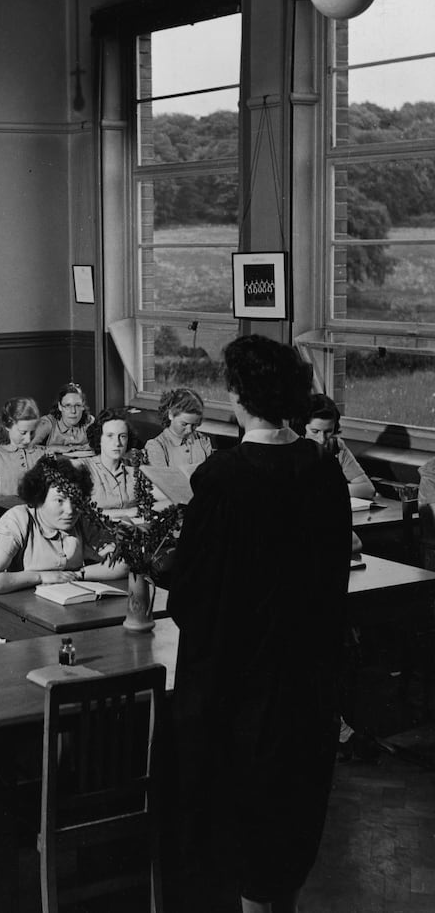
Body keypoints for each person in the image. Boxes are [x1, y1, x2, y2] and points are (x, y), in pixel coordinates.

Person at [166, 336, 352, 913]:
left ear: (238, 398)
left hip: (240, 691)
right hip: (310, 683)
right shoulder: (324, 475)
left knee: (240, 831)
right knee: (289, 828)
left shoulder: (226, 479)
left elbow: (193, 593)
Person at [0, 456, 127, 594]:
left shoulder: (82, 519)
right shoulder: (17, 520)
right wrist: (41, 576)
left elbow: (124, 562)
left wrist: (77, 575)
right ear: (38, 498)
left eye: (75, 500)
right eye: (59, 500)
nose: (70, 510)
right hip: (23, 611)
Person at [292, 393, 375, 499]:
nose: (322, 439)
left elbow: (367, 489)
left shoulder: (336, 447)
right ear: (303, 427)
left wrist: (329, 490)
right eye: (315, 431)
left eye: (328, 431)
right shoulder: (292, 449)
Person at [0, 397, 47, 499]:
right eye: (23, 432)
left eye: (32, 432)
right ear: (7, 425)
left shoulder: (45, 454)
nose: (28, 439)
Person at [144, 386, 213, 478]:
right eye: (184, 424)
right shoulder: (157, 446)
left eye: (194, 425)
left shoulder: (202, 441)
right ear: (171, 415)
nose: (189, 430)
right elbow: (163, 482)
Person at [84, 408, 144, 511]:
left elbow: (162, 500)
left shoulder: (134, 469)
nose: (117, 443)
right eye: (110, 436)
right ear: (99, 438)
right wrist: (130, 513)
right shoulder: (84, 469)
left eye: (122, 436)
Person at [32, 382, 95, 453]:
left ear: (83, 406)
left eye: (77, 405)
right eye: (68, 405)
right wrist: (56, 448)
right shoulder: (47, 423)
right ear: (60, 406)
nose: (73, 411)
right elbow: (30, 448)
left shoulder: (90, 422)